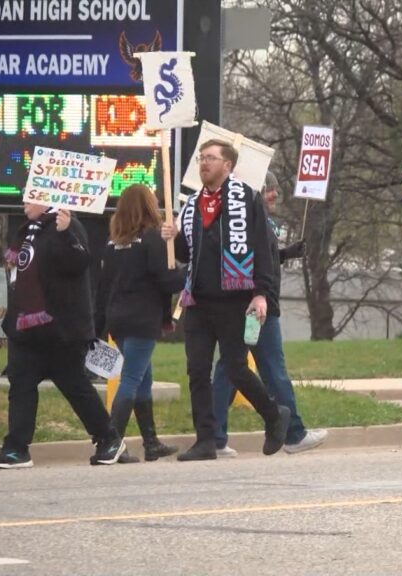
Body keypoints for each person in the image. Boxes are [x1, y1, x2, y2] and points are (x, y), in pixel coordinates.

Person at [161, 140, 290, 461]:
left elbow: (262, 247)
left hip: (235, 298)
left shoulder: (246, 199)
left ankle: (274, 415)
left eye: (211, 158)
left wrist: (261, 292)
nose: (204, 163)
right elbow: (186, 253)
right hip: (198, 301)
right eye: (202, 157)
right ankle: (206, 439)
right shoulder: (191, 205)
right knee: (197, 371)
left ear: (227, 166)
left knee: (236, 369)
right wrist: (172, 237)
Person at [0, 204, 125, 469]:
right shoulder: (28, 231)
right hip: (26, 329)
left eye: (29, 197)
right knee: (21, 385)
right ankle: (16, 449)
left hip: (61, 329)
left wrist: (65, 234)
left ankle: (108, 438)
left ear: (45, 197)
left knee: (75, 386)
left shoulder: (67, 225)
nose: (24, 202)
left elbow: (79, 263)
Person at [212, 171, 327, 457]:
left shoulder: (243, 219)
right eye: (268, 188)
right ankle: (294, 434)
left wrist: (285, 253)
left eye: (275, 188)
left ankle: (213, 436)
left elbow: (257, 255)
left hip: (244, 305)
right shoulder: (253, 219)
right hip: (259, 309)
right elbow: (254, 261)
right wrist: (261, 296)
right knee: (272, 370)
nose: (274, 194)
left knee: (229, 368)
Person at [95, 184, 186, 463]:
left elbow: (103, 287)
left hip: (118, 320)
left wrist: (99, 324)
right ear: (148, 206)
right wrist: (190, 274)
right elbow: (166, 281)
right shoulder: (151, 239)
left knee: (143, 379)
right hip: (142, 318)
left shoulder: (113, 243)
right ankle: (110, 444)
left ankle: (151, 442)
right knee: (132, 379)